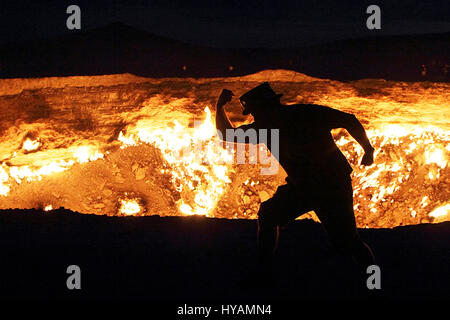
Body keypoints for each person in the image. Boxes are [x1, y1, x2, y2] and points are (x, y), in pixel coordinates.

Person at [215, 82, 376, 286]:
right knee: (268, 214)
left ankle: (375, 285)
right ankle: (263, 273)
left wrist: (219, 106)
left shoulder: (269, 125)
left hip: (329, 186)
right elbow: (349, 120)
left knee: (349, 243)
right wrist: (367, 149)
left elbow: (227, 134)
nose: (254, 117)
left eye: (254, 112)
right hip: (311, 185)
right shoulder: (295, 116)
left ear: (264, 108)